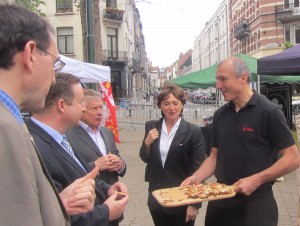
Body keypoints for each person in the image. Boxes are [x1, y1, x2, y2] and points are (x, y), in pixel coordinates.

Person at [0, 4, 96, 226]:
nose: (54, 78)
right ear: (31, 53)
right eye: (54, 63)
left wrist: (56, 203)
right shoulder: (5, 129)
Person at [182, 57, 300, 226]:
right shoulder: (220, 115)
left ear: (243, 78)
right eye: (217, 80)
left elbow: (293, 158)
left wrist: (257, 179)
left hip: (257, 204)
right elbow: (214, 157)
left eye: (223, 79)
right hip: (221, 201)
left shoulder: (269, 112)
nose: (218, 86)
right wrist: (196, 177)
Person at [26, 73, 129, 226]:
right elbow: (57, 213)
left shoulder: (60, 138)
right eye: (81, 102)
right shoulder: (35, 147)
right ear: (62, 105)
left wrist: (107, 189)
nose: (83, 108)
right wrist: (106, 212)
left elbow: (80, 177)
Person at [139, 83, 206, 226]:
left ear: (182, 104)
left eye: (175, 103)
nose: (171, 108)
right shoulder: (152, 126)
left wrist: (195, 203)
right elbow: (145, 158)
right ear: (160, 106)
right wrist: (147, 143)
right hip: (157, 197)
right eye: (166, 103)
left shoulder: (193, 131)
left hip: (182, 197)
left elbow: (198, 169)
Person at [66, 88, 126, 226]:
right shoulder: (69, 135)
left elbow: (119, 160)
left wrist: (120, 165)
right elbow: (68, 170)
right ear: (82, 110)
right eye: (94, 108)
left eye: (101, 108)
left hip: (112, 199)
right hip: (90, 205)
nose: (100, 112)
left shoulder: (107, 132)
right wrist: (95, 165)